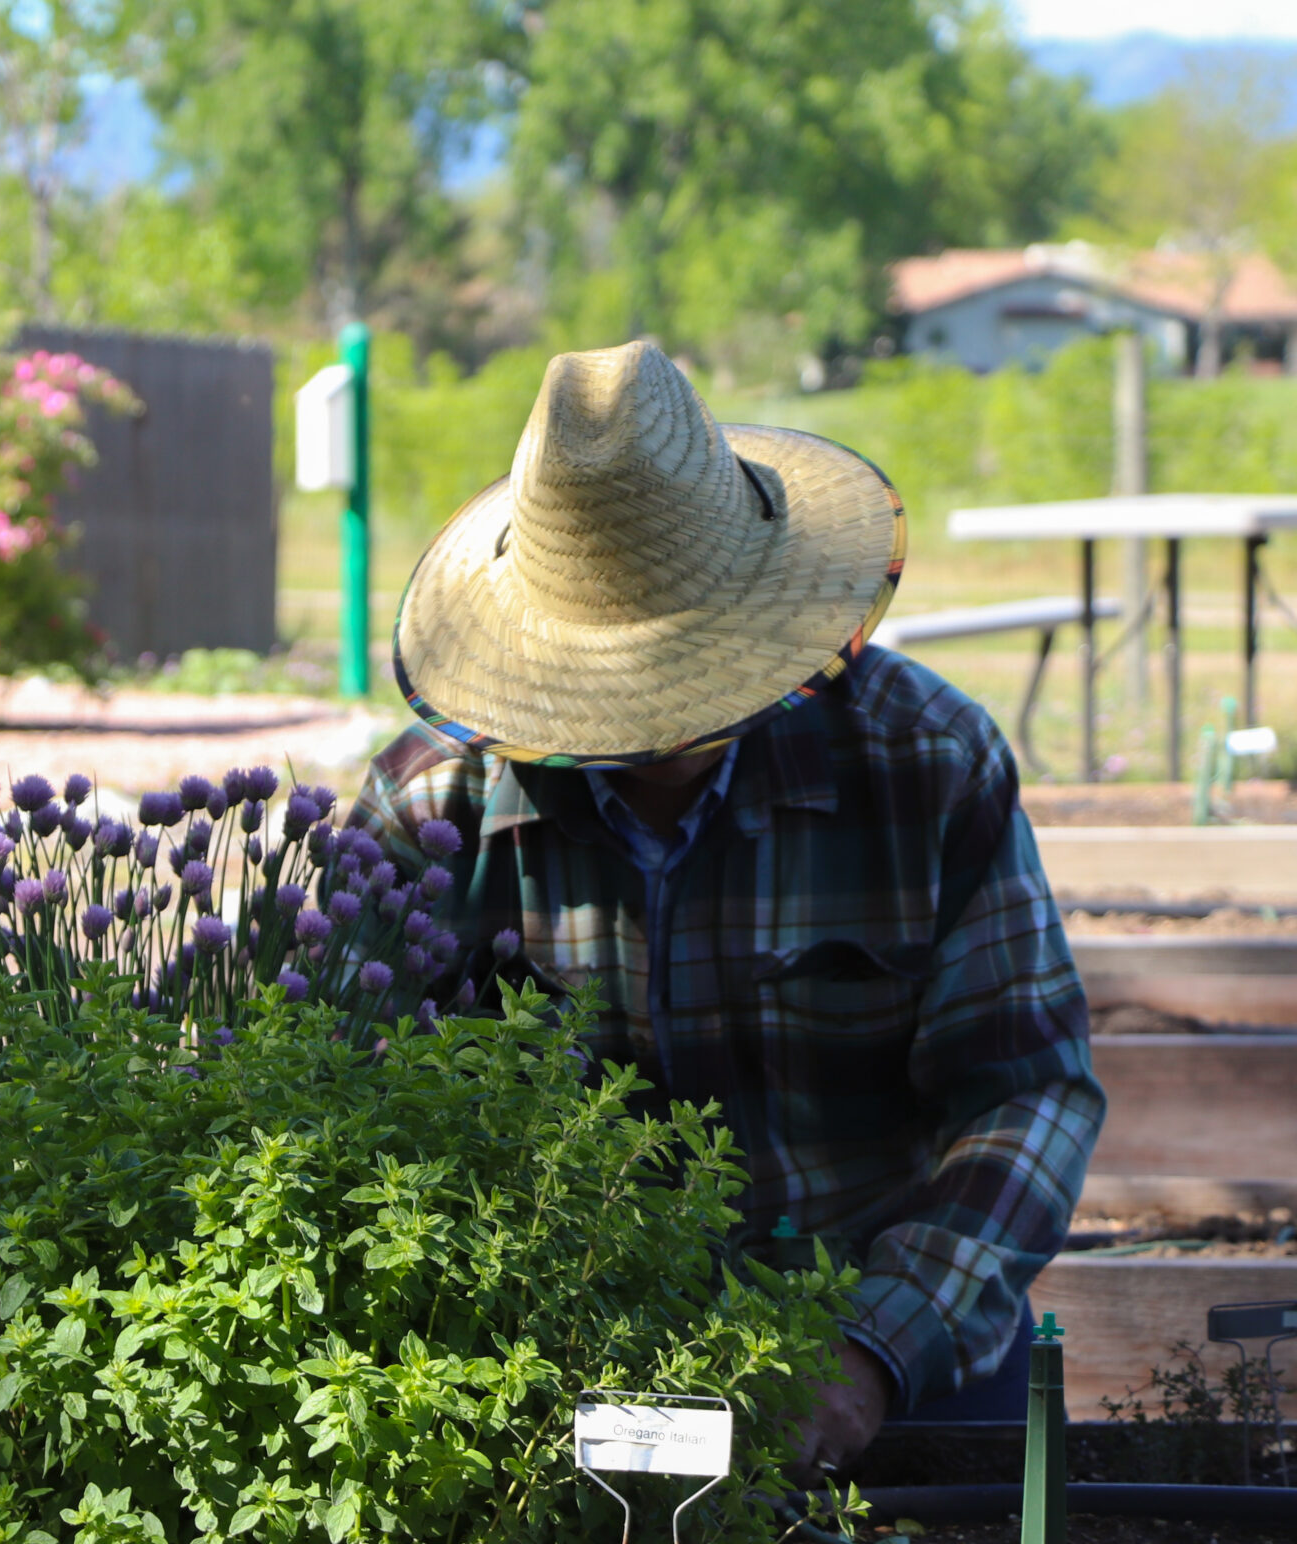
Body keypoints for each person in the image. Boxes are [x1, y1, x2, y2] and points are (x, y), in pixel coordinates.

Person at [349, 340, 1103, 1471]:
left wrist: (868, 1352)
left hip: (885, 1329)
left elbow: (1027, 1093)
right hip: (545, 1353)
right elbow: (336, 1108)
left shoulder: (922, 763)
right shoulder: (431, 806)